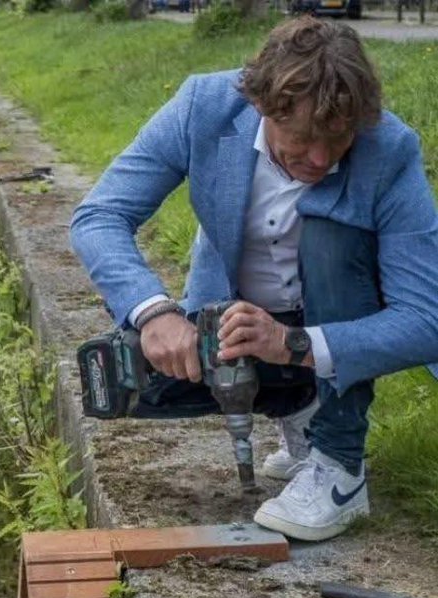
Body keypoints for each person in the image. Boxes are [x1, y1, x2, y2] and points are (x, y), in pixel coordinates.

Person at [70, 17, 438, 541]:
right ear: (264, 106)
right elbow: (100, 215)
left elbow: (427, 319)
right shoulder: (204, 107)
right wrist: (154, 312)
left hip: (329, 322)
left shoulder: (390, 149)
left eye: (337, 139)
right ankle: (298, 404)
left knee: (331, 234)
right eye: (304, 137)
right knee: (120, 378)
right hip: (235, 316)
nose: (319, 158)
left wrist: (289, 344)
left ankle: (339, 465)